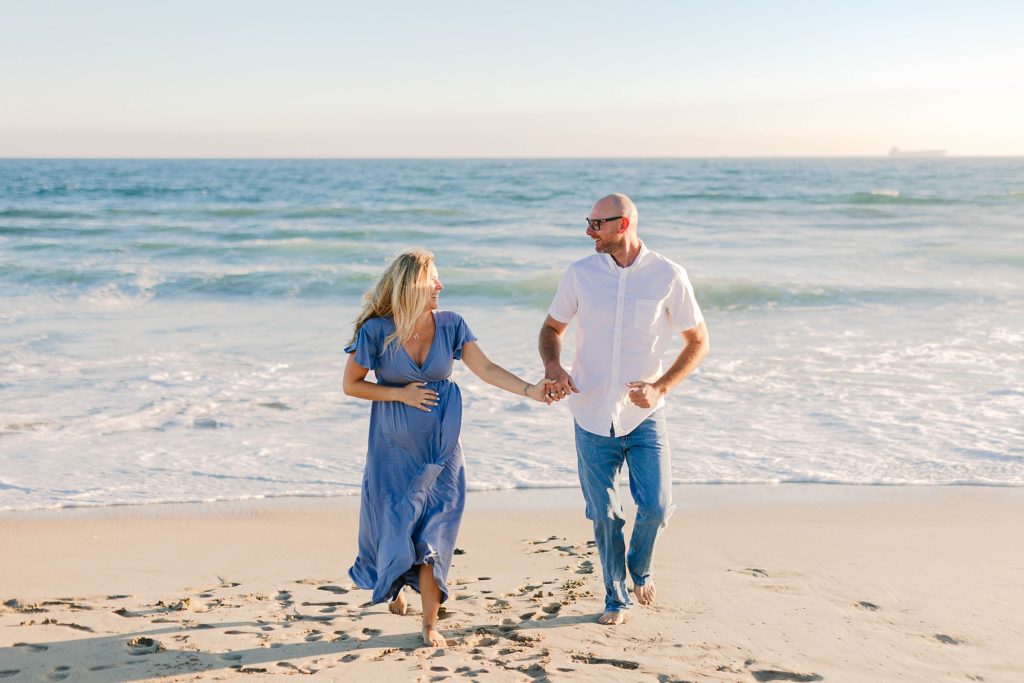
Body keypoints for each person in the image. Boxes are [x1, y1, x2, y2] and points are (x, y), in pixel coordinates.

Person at [343, 249, 552, 647]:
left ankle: (430, 624)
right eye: (432, 280)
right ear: (410, 287)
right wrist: (399, 394)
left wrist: (531, 391)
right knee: (395, 526)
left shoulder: (452, 324)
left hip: (441, 452)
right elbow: (351, 384)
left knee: (436, 534)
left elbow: (486, 369)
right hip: (392, 453)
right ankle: (395, 585)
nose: (440, 286)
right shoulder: (376, 330)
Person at [538, 193, 709, 626]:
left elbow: (698, 341)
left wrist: (660, 387)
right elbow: (551, 328)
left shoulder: (669, 275)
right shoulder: (580, 274)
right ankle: (616, 598)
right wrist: (553, 367)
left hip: (644, 415)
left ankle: (641, 567)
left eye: (597, 223)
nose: (589, 231)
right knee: (604, 515)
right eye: (589, 222)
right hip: (590, 413)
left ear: (624, 223)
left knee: (656, 506)